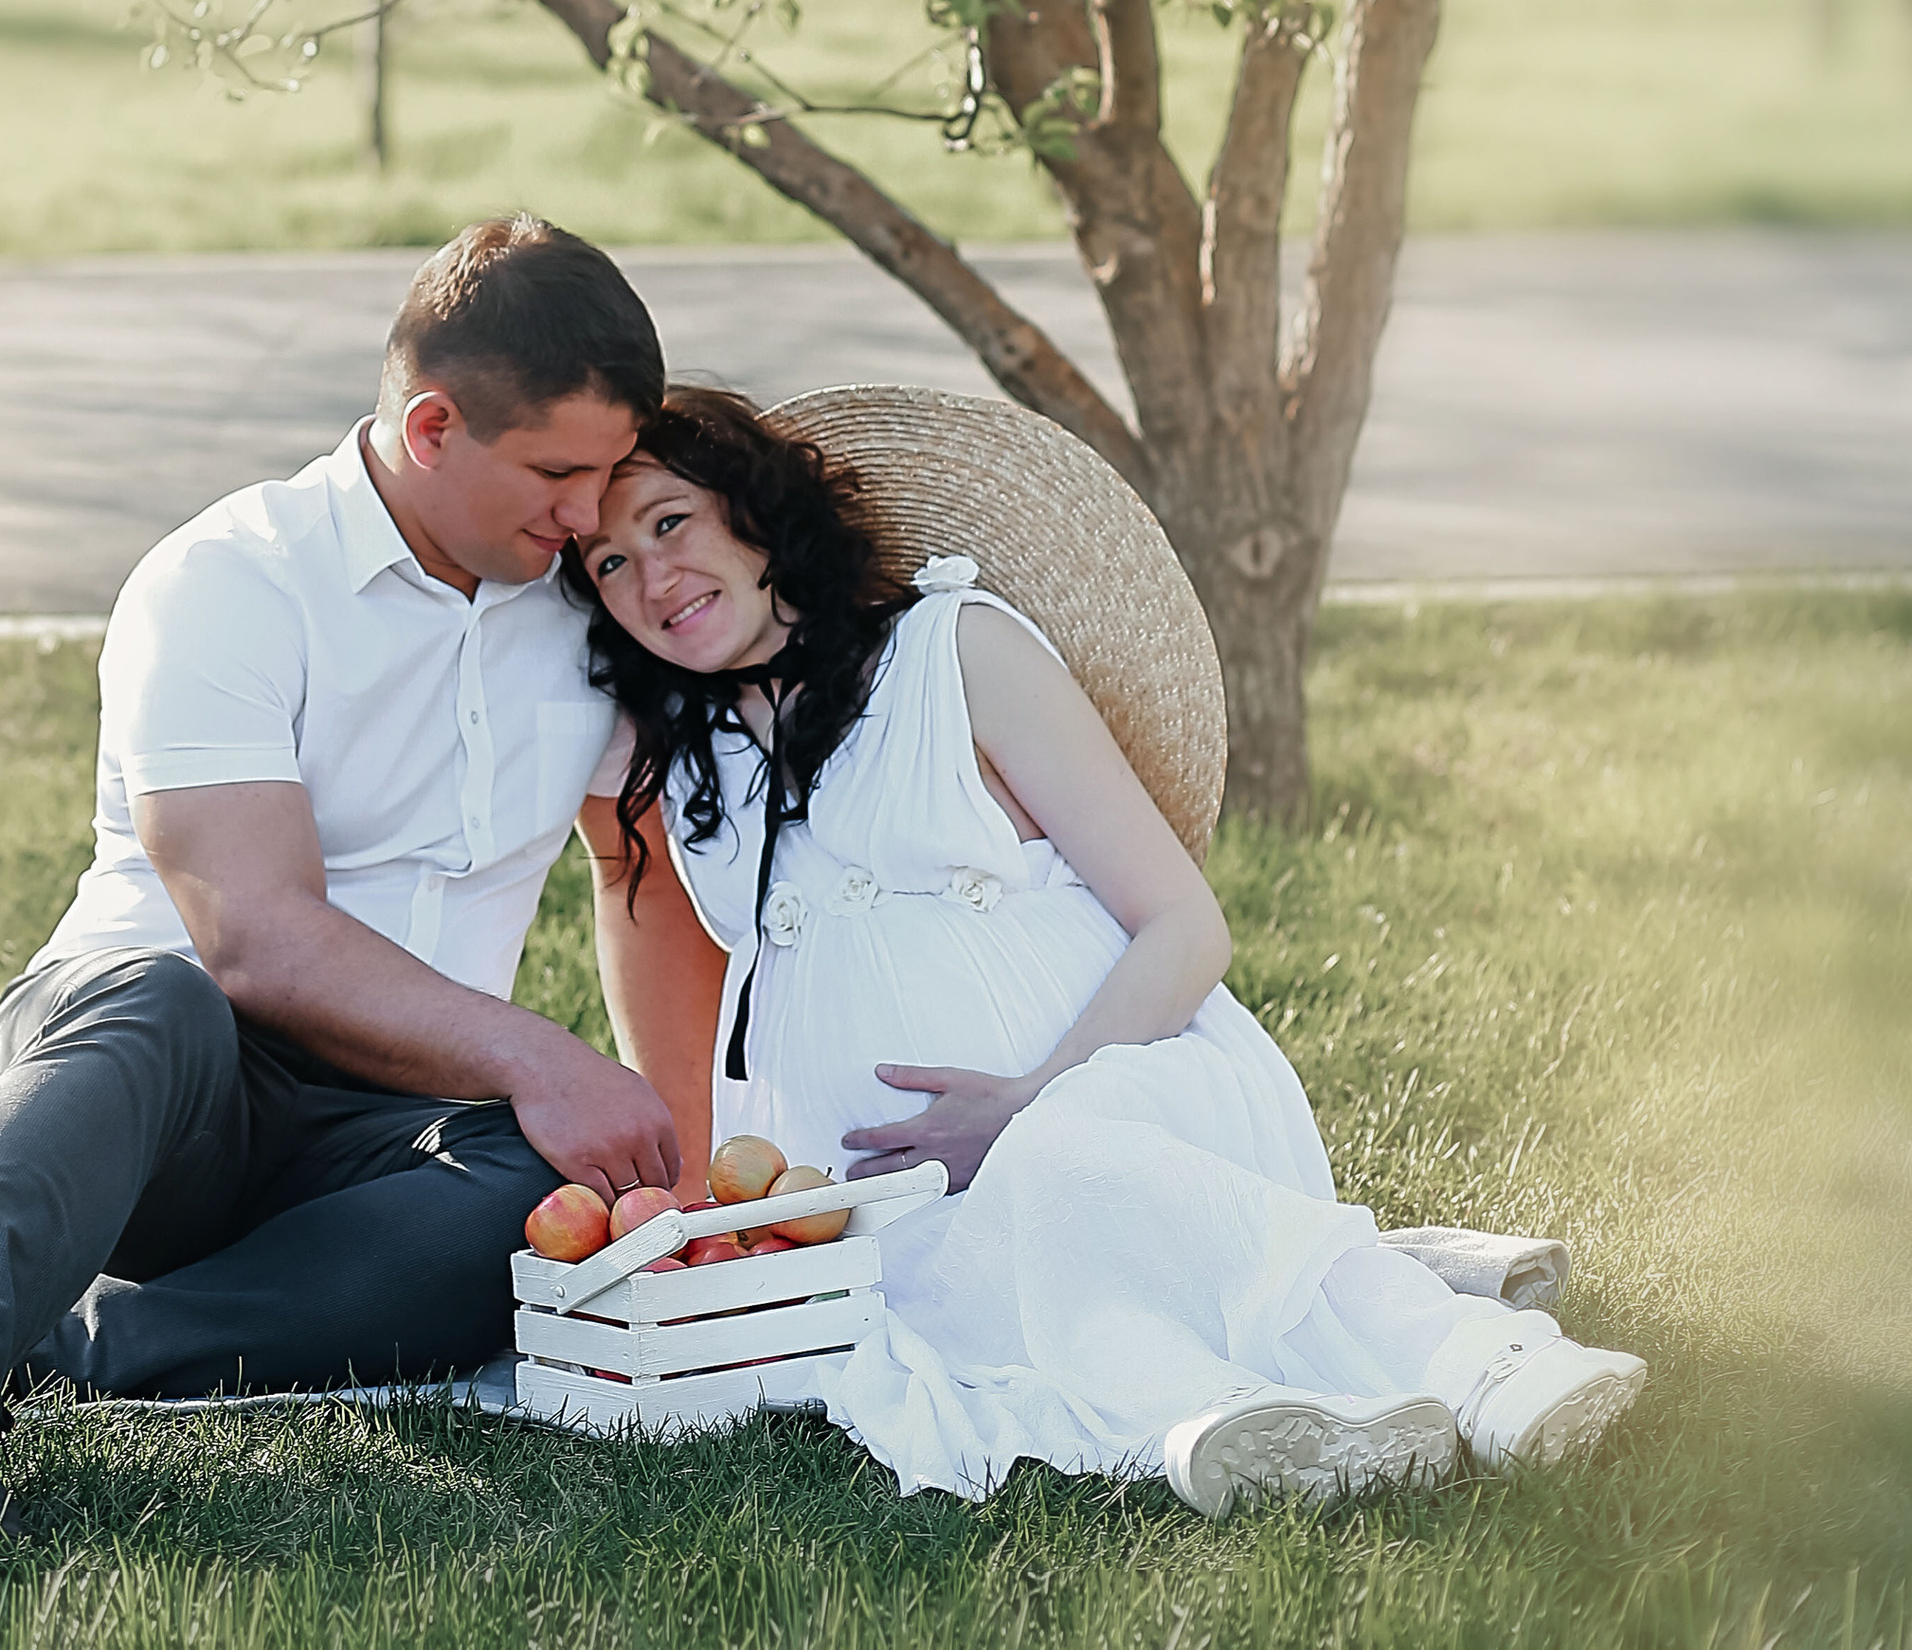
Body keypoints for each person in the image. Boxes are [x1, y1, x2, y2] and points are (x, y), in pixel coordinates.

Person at [0, 217, 691, 1546]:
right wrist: (536, 1051)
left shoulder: (586, 604)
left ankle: (48, 1339)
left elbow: (638, 861)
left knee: (539, 1186)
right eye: (559, 472)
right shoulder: (230, 577)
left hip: (384, 1143)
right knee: (160, 996)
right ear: (435, 425)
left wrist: (664, 1136)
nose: (589, 514)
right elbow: (256, 941)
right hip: (152, 1094)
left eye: (612, 472)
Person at [572, 388, 1649, 1516]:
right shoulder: (678, 749)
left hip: (1122, 1080)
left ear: (752, 510)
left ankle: (1482, 1361)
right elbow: (598, 856)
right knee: (961, 1299)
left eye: (666, 521)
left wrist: (1030, 1100)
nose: (650, 578)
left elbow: (1186, 923)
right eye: (603, 563)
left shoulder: (955, 648)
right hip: (882, 1190)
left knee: (1063, 1166)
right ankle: (1261, 1416)